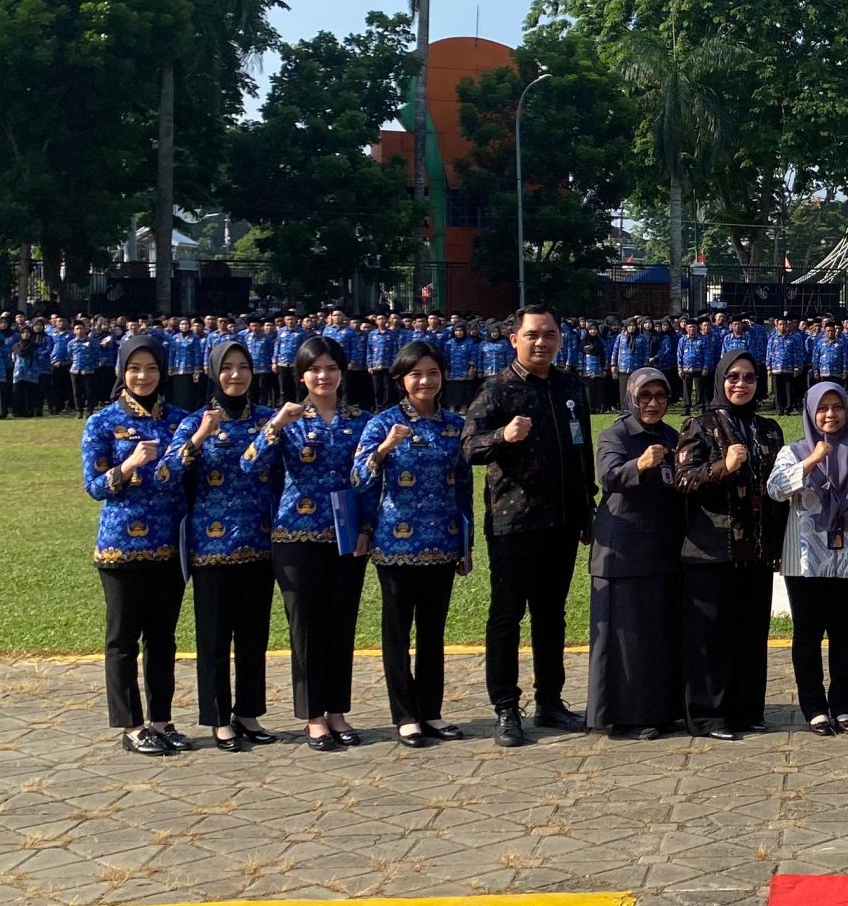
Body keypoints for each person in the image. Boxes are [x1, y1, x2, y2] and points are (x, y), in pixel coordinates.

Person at [464, 304, 597, 745]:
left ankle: (550, 701)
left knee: (551, 614)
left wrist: (586, 507)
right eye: (533, 335)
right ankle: (506, 706)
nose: (542, 342)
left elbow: (582, 451)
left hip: (562, 520)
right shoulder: (497, 389)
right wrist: (501, 436)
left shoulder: (570, 385)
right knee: (507, 615)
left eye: (550, 334)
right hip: (514, 521)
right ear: (514, 339)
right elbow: (468, 447)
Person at [247, 335, 370, 749]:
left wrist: (367, 529)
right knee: (305, 626)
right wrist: (275, 426)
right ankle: (313, 715)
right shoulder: (287, 419)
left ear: (342, 373)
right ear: (301, 375)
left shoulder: (361, 421)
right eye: (314, 369)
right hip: (295, 536)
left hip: (346, 537)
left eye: (331, 368)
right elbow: (249, 466)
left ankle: (337, 711)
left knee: (341, 623)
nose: (323, 376)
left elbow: (371, 481)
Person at [354, 339, 475, 748]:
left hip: (442, 540)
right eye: (416, 374)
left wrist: (465, 544)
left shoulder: (454, 425)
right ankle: (405, 714)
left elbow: (463, 487)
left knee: (432, 632)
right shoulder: (382, 423)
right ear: (401, 379)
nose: (425, 381)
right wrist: (385, 447)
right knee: (397, 632)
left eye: (433, 373)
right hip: (396, 544)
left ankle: (431, 711)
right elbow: (359, 478)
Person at [81, 332, 192, 757]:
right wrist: (128, 465)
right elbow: (95, 487)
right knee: (123, 639)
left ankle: (162, 721)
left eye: (151, 368)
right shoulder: (103, 422)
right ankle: (131, 725)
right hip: (121, 548)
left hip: (169, 544)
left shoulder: (180, 420)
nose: (143, 376)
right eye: (134, 368)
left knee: (163, 639)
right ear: (121, 372)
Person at [167, 338, 276, 750]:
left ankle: (248, 713)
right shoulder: (195, 420)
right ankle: (217, 718)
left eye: (243, 367)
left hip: (259, 541)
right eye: (227, 367)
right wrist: (199, 437)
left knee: (253, 635)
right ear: (214, 373)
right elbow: (168, 470)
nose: (236, 375)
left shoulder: (267, 419)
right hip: (210, 547)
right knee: (214, 637)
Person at [768, 378, 848, 735]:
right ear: (810, 412)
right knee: (807, 633)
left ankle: (843, 706)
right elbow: (775, 489)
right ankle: (814, 708)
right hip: (805, 558)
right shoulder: (793, 452)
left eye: (837, 407)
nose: (830, 415)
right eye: (822, 408)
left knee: (844, 633)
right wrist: (811, 461)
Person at [672, 351, 787, 737]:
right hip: (712, 549)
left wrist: (777, 545)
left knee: (750, 633)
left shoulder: (769, 429)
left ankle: (747, 710)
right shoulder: (700, 425)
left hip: (756, 550)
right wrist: (724, 466)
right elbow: (682, 479)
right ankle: (710, 715)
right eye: (733, 376)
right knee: (711, 637)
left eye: (749, 377)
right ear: (720, 379)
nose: (741, 384)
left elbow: (777, 491)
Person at [589, 366, 689, 736]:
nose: (652, 403)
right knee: (627, 641)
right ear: (631, 396)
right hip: (623, 553)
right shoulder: (615, 434)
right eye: (645, 396)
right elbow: (609, 476)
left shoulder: (671, 436)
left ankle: (660, 711)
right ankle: (626, 717)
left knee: (658, 636)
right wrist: (641, 464)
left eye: (660, 396)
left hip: (662, 550)